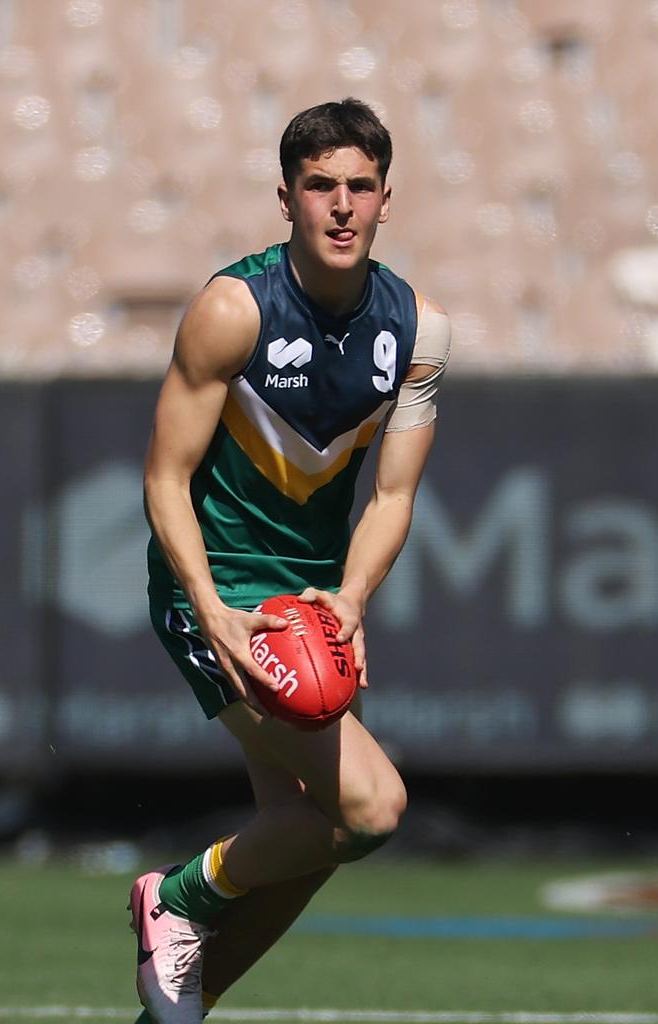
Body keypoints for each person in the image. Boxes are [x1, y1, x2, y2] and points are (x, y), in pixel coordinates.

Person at [130, 97, 451, 1023]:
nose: (341, 205)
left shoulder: (421, 332)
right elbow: (163, 479)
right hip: (221, 590)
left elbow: (392, 496)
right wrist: (208, 607)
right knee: (375, 809)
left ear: (388, 199)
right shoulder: (233, 309)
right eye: (320, 186)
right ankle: (179, 896)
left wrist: (352, 597)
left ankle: (182, 1000)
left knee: (316, 834)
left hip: (309, 605)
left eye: (360, 186)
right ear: (287, 199)